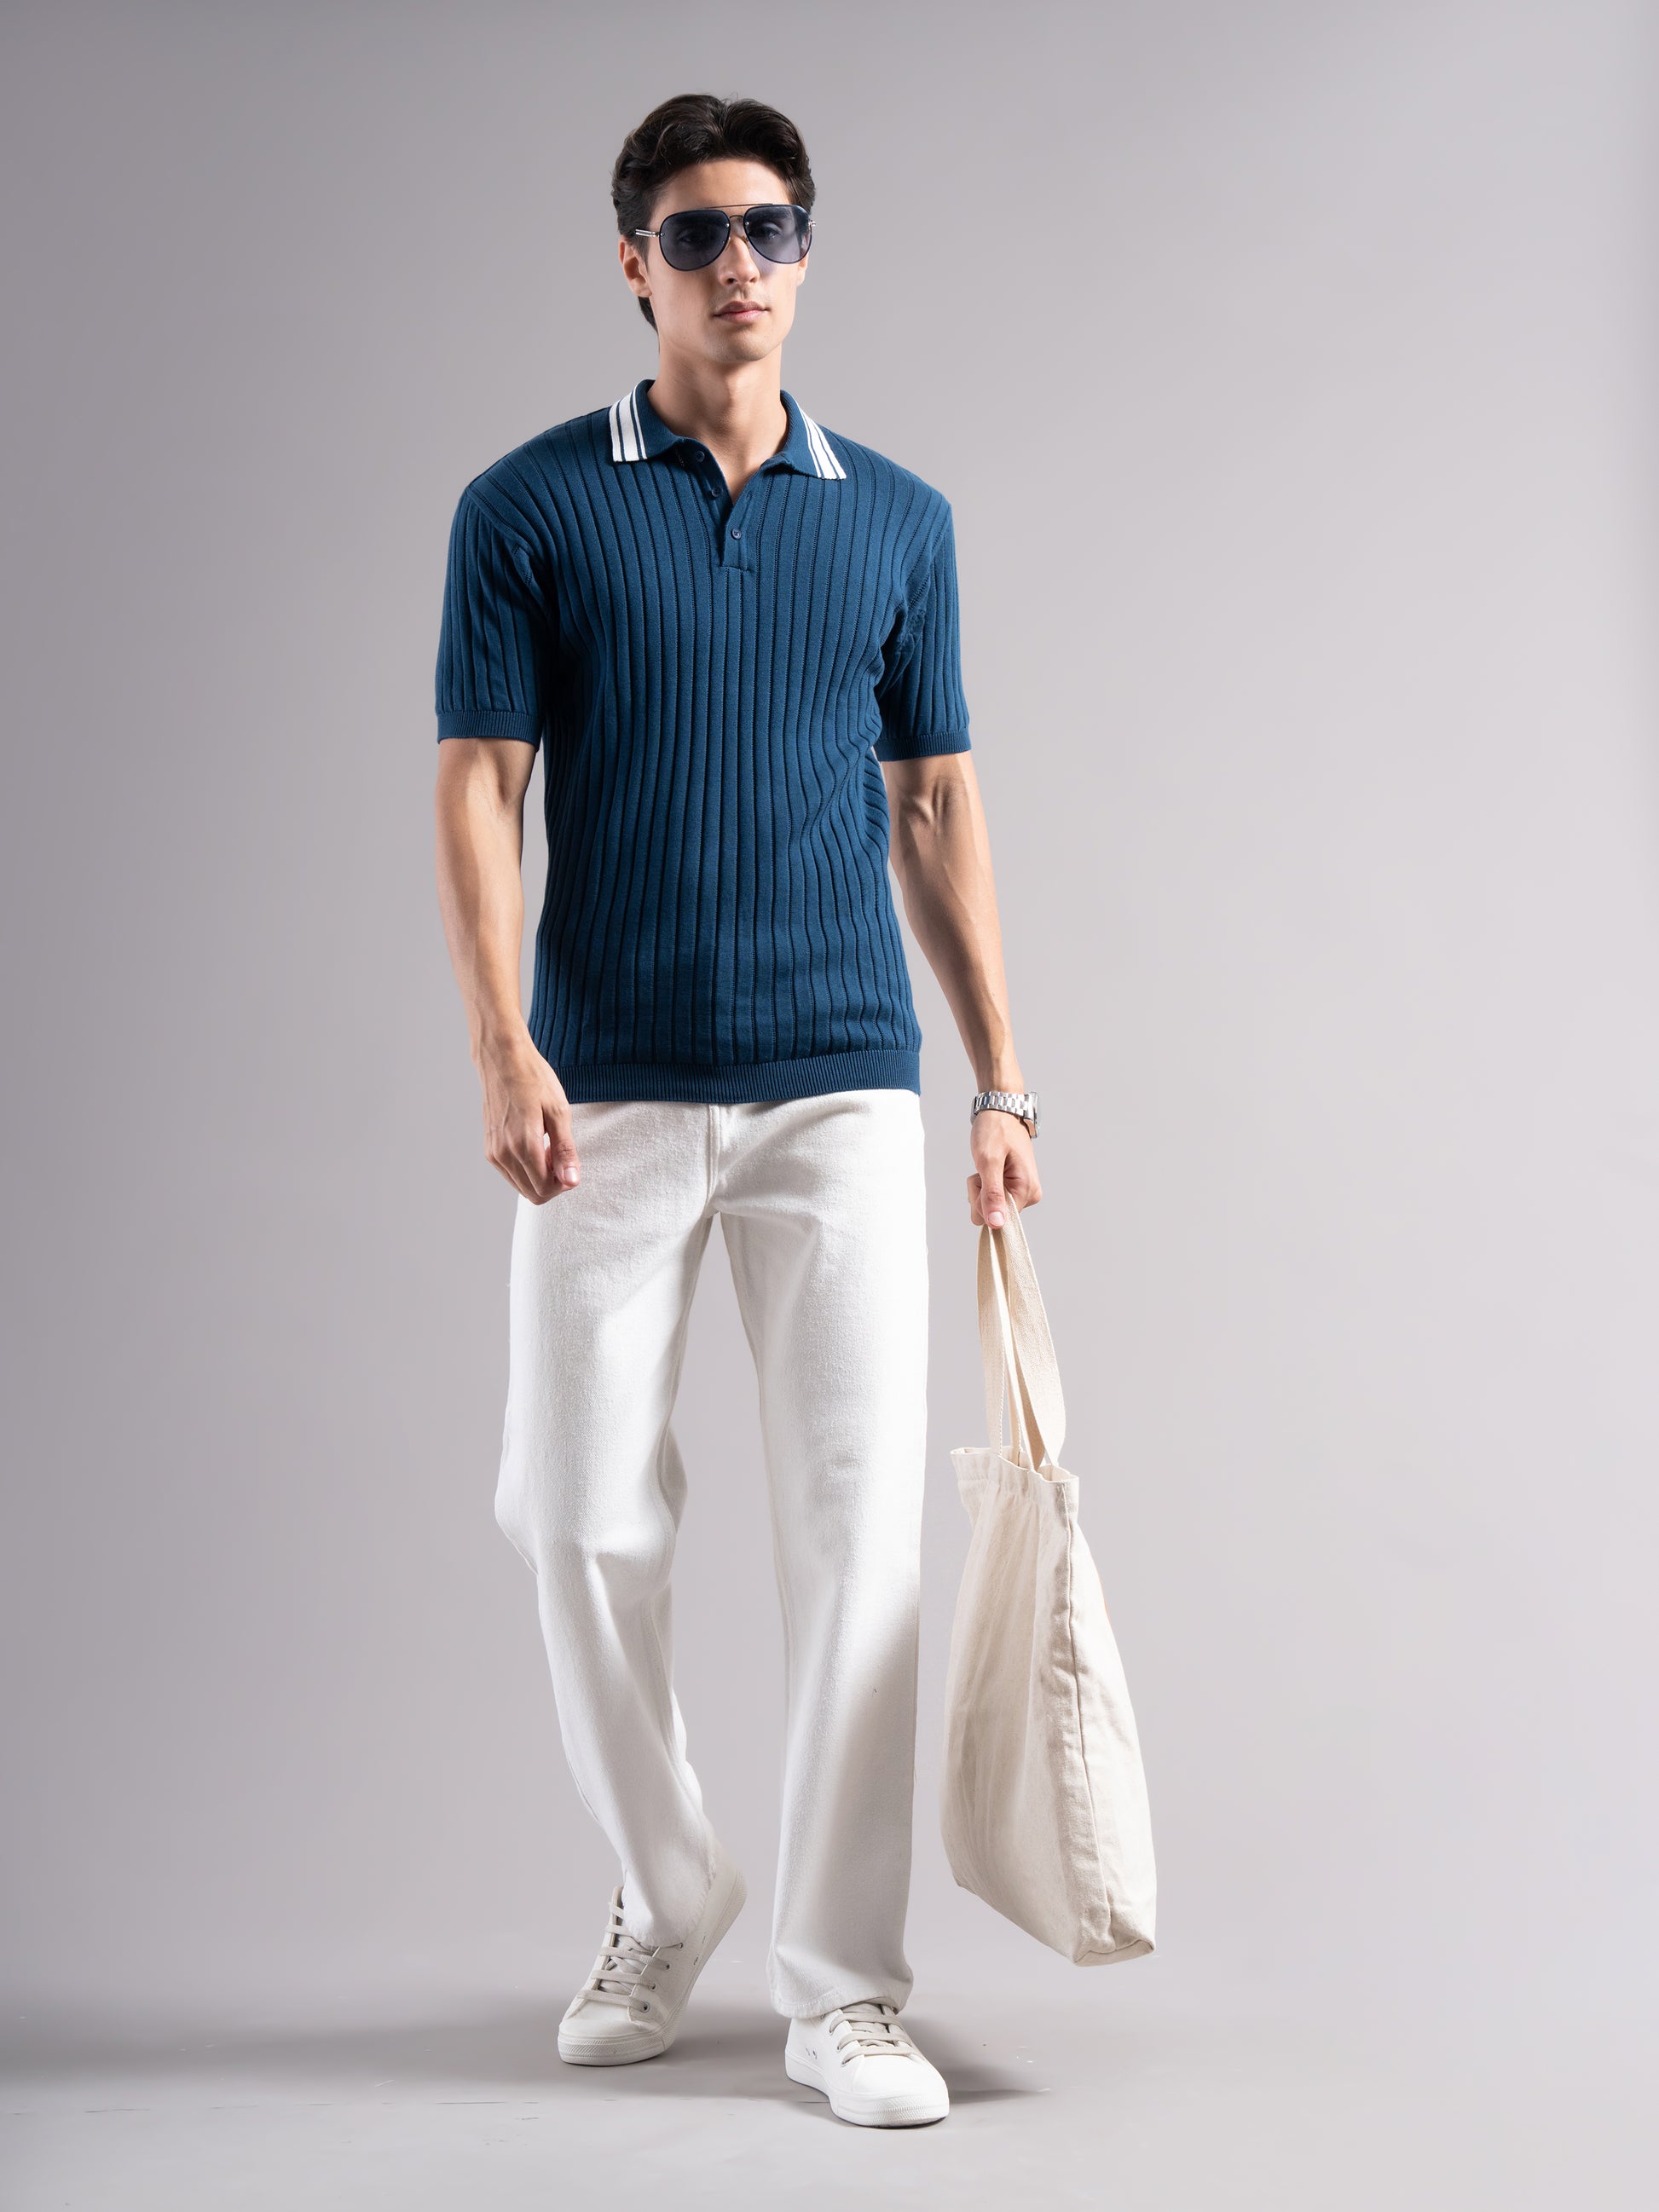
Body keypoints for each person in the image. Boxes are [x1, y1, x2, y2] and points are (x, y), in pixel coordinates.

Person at [431, 91, 1040, 2130]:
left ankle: (844, 1987)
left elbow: (935, 804)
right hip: (600, 1086)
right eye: (696, 234)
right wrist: (500, 1040)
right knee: (569, 1504)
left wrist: (1000, 1077)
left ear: (804, 252)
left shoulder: (898, 518)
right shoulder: (528, 506)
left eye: (770, 228)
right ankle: (672, 1874)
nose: (738, 264)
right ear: (636, 265)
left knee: (860, 1535)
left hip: (838, 1085)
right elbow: (478, 783)